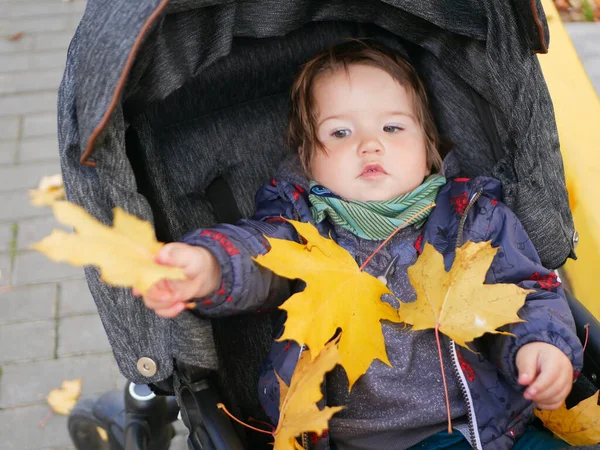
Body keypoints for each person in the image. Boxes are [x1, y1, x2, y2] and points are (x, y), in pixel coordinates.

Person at [134, 40, 583, 449]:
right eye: (340, 133)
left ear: (429, 149)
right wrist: (210, 266)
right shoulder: (301, 231)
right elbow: (258, 256)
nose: (370, 144)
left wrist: (539, 346)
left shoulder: (475, 218)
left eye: (392, 128)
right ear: (307, 159)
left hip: (487, 426)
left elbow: (528, 290)